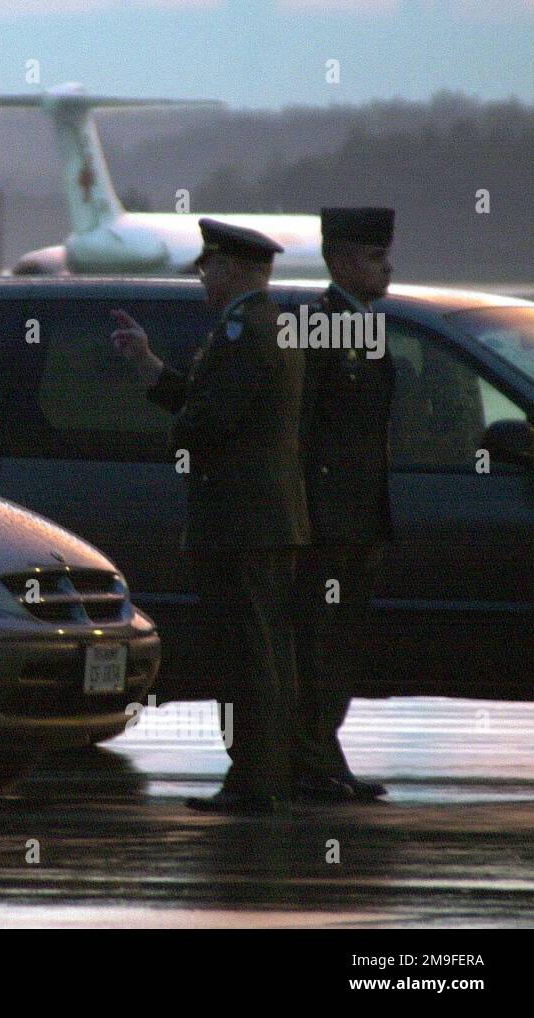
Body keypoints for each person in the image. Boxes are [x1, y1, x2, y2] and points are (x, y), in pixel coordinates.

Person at [110, 218, 308, 815]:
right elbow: (206, 401)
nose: (203, 276)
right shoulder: (257, 325)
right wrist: (148, 364)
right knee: (263, 649)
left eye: (210, 265)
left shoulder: (245, 331)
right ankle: (268, 774)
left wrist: (179, 435)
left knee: (249, 654)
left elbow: (209, 420)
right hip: (261, 517)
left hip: (241, 519)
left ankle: (255, 781)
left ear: (242, 269)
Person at [290, 207, 397, 801]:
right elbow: (303, 430)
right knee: (319, 642)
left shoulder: (363, 326)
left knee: (339, 642)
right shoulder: (317, 326)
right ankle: (314, 761)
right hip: (328, 522)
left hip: (357, 520)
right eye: (377, 256)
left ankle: (319, 756)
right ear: (341, 261)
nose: (388, 267)